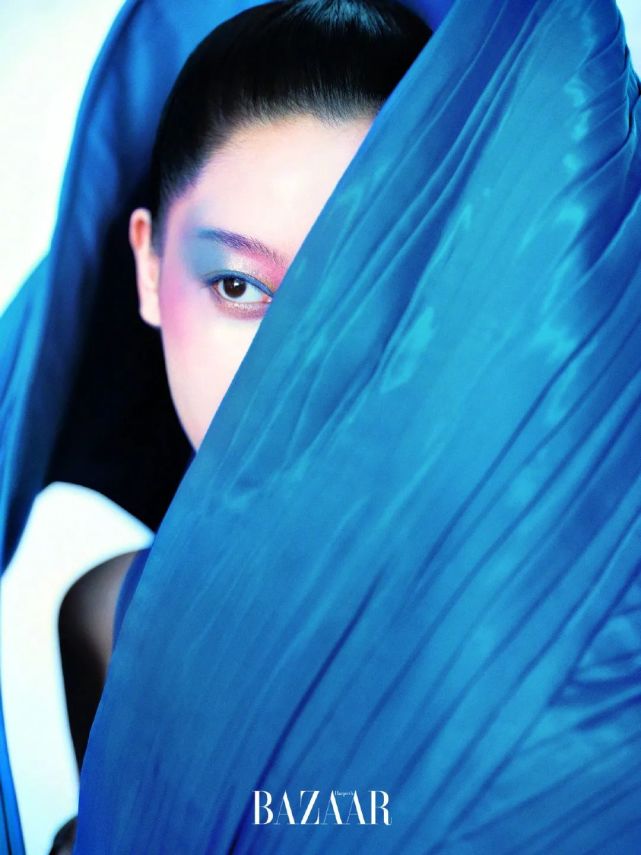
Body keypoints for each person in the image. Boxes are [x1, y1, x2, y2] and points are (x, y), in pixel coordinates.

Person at [51, 1, 431, 851]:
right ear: (149, 268)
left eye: (364, 290)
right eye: (237, 287)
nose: (293, 372)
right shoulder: (106, 623)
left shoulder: (558, 620)